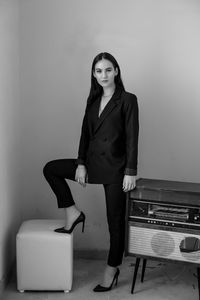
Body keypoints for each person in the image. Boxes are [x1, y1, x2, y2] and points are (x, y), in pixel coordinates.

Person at [43, 52, 139, 292]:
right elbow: (84, 135)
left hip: (117, 169)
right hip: (92, 163)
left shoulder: (128, 99)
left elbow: (132, 138)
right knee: (51, 169)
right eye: (98, 71)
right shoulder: (92, 101)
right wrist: (81, 163)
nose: (103, 75)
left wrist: (130, 171)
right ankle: (73, 212)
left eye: (108, 70)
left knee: (114, 223)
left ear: (116, 70)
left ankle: (112, 269)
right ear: (93, 75)